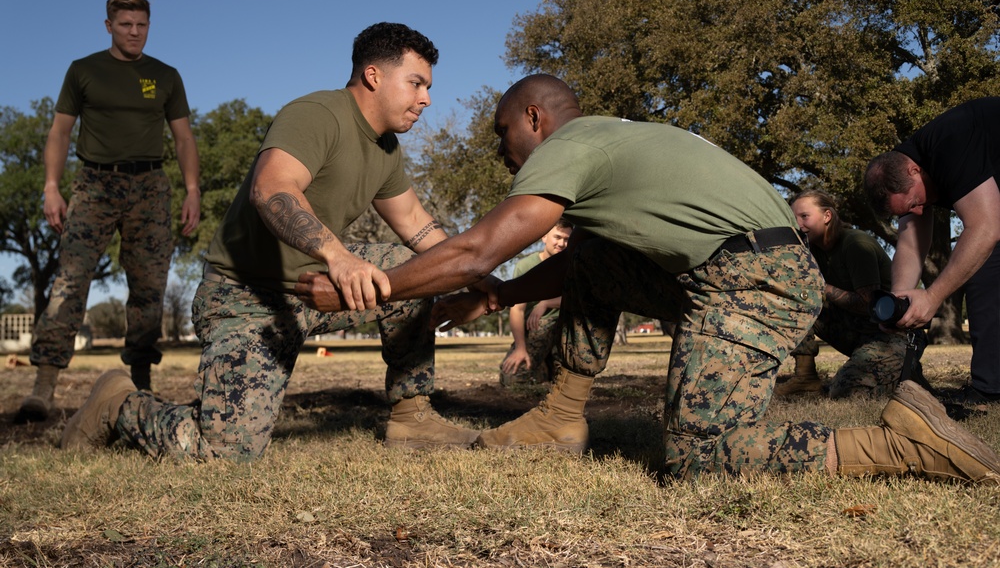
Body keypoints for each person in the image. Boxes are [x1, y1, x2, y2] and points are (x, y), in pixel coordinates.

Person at [292, 74, 1000, 484]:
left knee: (700, 455)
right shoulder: (617, 138)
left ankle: (900, 442)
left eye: (503, 134)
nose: (502, 153)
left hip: (754, 276)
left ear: (535, 118)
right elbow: (585, 262)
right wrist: (503, 294)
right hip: (750, 264)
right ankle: (560, 417)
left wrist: (372, 283)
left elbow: (481, 246)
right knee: (598, 257)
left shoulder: (566, 146)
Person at [61, 22, 480, 460]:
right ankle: (117, 403)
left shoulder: (386, 148)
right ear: (374, 75)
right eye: (416, 83)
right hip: (245, 297)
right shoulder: (317, 113)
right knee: (227, 453)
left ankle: (412, 416)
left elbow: (416, 223)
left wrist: (473, 272)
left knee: (409, 269)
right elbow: (273, 190)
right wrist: (338, 256)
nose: (426, 98)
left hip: (315, 289)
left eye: (427, 87)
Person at [16, 0, 200, 423]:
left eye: (142, 25)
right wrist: (51, 187)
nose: (135, 33)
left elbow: (184, 138)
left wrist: (192, 189)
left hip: (151, 186)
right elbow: (60, 132)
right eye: (126, 25)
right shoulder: (83, 71)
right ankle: (43, 387)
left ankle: (140, 386)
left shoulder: (166, 75)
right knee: (71, 280)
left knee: (149, 286)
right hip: (94, 183)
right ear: (109, 26)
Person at [865, 98, 1000, 404]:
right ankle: (992, 386)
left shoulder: (949, 143)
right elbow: (911, 244)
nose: (921, 210)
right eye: (910, 210)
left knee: (983, 261)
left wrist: (933, 296)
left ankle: (991, 388)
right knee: (984, 269)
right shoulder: (907, 172)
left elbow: (986, 228)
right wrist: (900, 299)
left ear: (913, 170)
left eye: (914, 203)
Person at [776, 190, 929, 398]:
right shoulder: (810, 250)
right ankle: (805, 378)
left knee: (845, 392)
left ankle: (904, 374)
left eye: (804, 216)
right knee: (796, 297)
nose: (798, 224)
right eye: (793, 218)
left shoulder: (856, 244)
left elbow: (868, 305)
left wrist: (820, 286)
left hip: (894, 333)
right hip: (860, 330)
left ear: (827, 216)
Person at [500, 219, 572, 386]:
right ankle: (543, 367)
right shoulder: (525, 266)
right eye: (557, 237)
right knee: (511, 379)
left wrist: (545, 303)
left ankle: (555, 367)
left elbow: (578, 298)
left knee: (565, 383)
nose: (561, 243)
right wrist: (520, 348)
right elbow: (517, 310)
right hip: (535, 328)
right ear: (544, 237)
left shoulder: (573, 266)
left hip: (565, 328)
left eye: (567, 239)